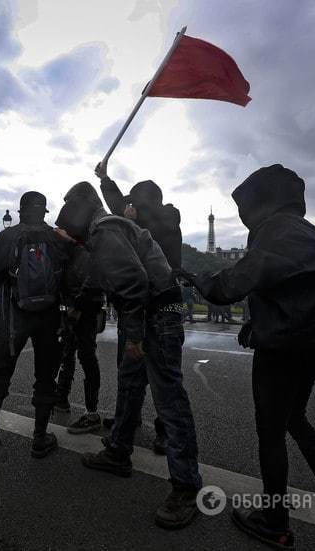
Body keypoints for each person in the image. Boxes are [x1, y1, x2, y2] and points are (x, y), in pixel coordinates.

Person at [181, 164, 315, 549]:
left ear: (260, 202)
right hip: (314, 343)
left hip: (283, 349)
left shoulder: (273, 231)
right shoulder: (307, 233)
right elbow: (289, 285)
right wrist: (256, 320)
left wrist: (198, 279)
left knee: (270, 432)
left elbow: (232, 286)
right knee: (297, 420)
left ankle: (275, 519)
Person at [55, 187, 203, 530]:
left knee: (169, 399)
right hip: (153, 311)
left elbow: (133, 282)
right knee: (130, 382)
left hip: (155, 314)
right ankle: (119, 450)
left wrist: (134, 336)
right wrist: (77, 305)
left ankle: (186, 487)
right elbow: (99, 275)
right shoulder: (106, 230)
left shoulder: (106, 231)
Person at [95, 163, 185, 456]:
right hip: (146, 305)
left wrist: (128, 216)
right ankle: (129, 421)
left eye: (134, 202)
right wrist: (106, 179)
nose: (128, 207)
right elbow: (119, 204)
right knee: (131, 371)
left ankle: (162, 431)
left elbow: (128, 218)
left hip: (151, 304)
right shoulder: (157, 217)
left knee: (158, 376)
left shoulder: (162, 221)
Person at [0, 191, 69, 458]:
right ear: (43, 212)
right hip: (50, 316)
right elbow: (67, 275)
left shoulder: (7, 236)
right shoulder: (55, 237)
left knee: (0, 370)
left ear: (20, 211)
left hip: (15, 315)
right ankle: (40, 437)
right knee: (46, 376)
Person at [54, 182, 106, 434]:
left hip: (84, 302)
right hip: (76, 300)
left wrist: (79, 305)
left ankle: (92, 412)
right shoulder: (89, 227)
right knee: (69, 351)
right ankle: (62, 396)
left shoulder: (96, 230)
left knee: (85, 355)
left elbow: (94, 265)